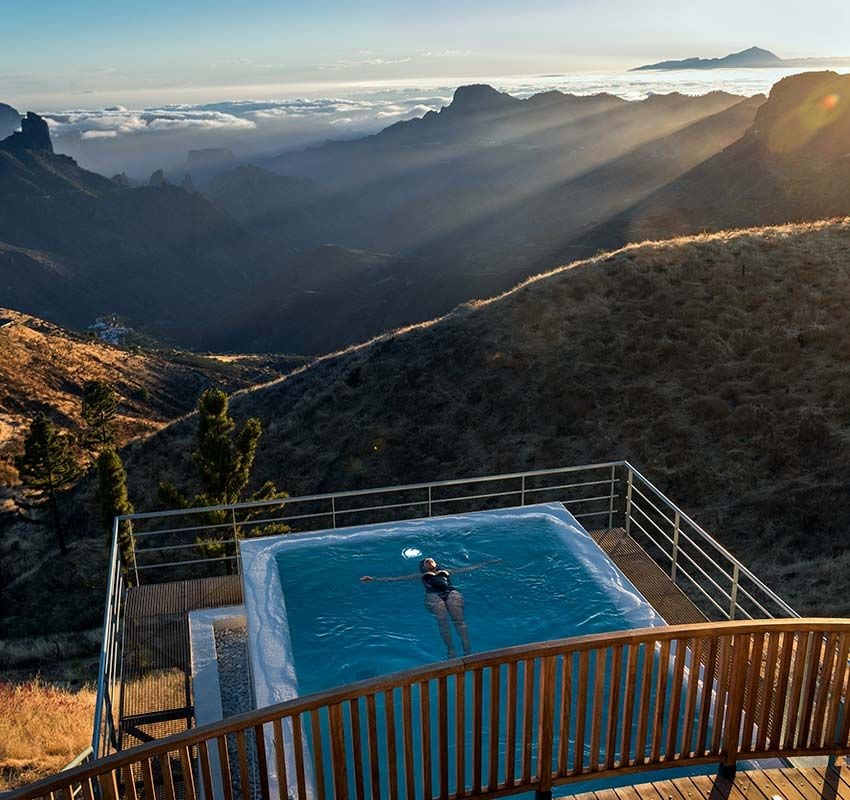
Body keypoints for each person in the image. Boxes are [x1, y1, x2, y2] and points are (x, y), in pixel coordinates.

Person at [360, 556, 499, 658]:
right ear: (423, 567)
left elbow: (467, 568)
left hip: (450, 592)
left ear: (436, 563)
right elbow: (398, 579)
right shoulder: (421, 575)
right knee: (443, 621)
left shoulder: (446, 571)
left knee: (459, 620)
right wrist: (374, 579)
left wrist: (487, 563)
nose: (429, 561)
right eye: (426, 561)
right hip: (433, 595)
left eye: (431, 560)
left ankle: (467, 648)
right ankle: (451, 649)